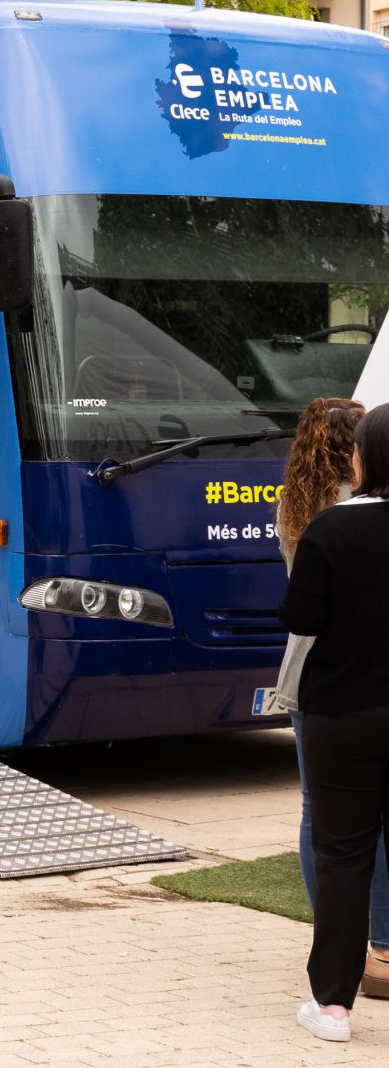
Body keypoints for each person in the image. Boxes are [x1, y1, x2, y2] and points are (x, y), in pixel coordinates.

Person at [274, 398, 389, 1003]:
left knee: (322, 817)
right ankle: (383, 948)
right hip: (356, 672)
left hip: (315, 678)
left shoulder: (298, 506)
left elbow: (300, 608)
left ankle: (334, 946)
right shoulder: (351, 510)